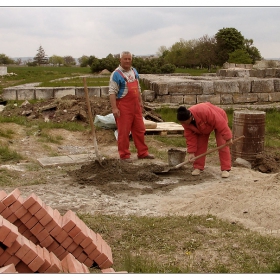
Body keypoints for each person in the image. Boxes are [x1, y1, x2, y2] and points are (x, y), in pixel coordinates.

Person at [108, 51, 154, 162]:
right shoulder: (116, 74)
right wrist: (114, 108)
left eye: (129, 59)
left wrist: (140, 101)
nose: (127, 61)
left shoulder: (134, 71)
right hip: (123, 106)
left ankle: (143, 153)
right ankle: (124, 155)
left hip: (135, 106)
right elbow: (112, 92)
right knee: (123, 132)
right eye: (125, 59)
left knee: (139, 130)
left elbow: (138, 88)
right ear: (120, 60)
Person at [176, 102, 233, 178]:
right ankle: (198, 167)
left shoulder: (203, 111)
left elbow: (220, 123)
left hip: (219, 119)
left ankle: (226, 169)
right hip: (202, 127)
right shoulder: (185, 122)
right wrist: (191, 152)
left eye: (183, 122)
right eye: (181, 122)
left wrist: (228, 138)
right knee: (200, 146)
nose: (182, 123)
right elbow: (190, 137)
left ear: (190, 118)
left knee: (222, 144)